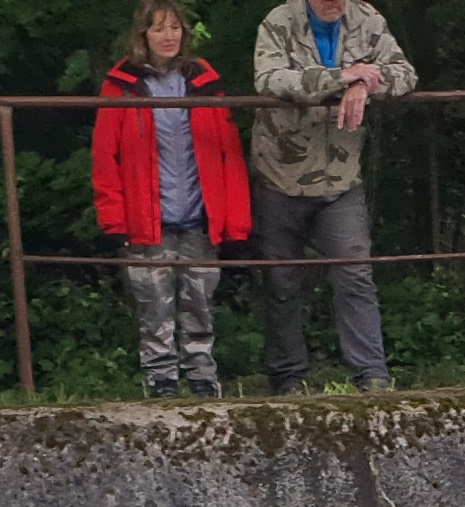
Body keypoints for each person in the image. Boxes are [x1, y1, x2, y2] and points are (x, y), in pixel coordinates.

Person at [244, 0, 413, 393]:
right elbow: (269, 79)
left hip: (341, 176)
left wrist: (363, 85)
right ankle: (288, 379)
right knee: (281, 281)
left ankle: (372, 375)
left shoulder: (367, 19)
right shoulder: (278, 22)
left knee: (355, 273)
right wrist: (341, 77)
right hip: (280, 175)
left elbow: (405, 74)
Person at [93, 2, 253, 398]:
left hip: (199, 215)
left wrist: (236, 221)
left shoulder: (205, 80)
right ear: (143, 35)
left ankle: (202, 377)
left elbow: (229, 154)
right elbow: (104, 157)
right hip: (146, 219)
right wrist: (113, 219)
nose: (169, 36)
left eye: (175, 28)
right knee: (153, 308)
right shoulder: (121, 84)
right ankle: (160, 380)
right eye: (159, 28)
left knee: (201, 303)